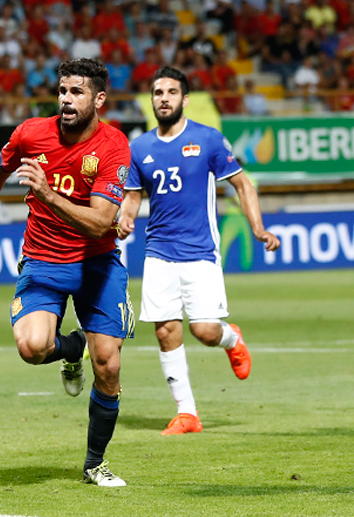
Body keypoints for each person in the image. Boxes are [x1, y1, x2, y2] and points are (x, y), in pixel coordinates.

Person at [0, 58, 134, 487]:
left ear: (99, 99)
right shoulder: (30, 133)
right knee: (32, 348)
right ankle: (73, 348)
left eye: (77, 92)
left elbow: (100, 222)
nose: (66, 100)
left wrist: (48, 194)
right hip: (44, 259)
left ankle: (94, 464)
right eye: (62, 91)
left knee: (108, 366)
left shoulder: (113, 145)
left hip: (96, 265)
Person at [117, 67, 281, 436]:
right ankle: (187, 413)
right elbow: (132, 196)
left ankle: (231, 338)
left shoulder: (208, 140)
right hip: (158, 250)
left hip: (200, 250)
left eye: (171, 92)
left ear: (185, 99)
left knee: (205, 331)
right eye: (158, 93)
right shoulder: (139, 148)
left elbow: (243, 185)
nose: (164, 98)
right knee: (165, 330)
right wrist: (126, 217)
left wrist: (258, 228)